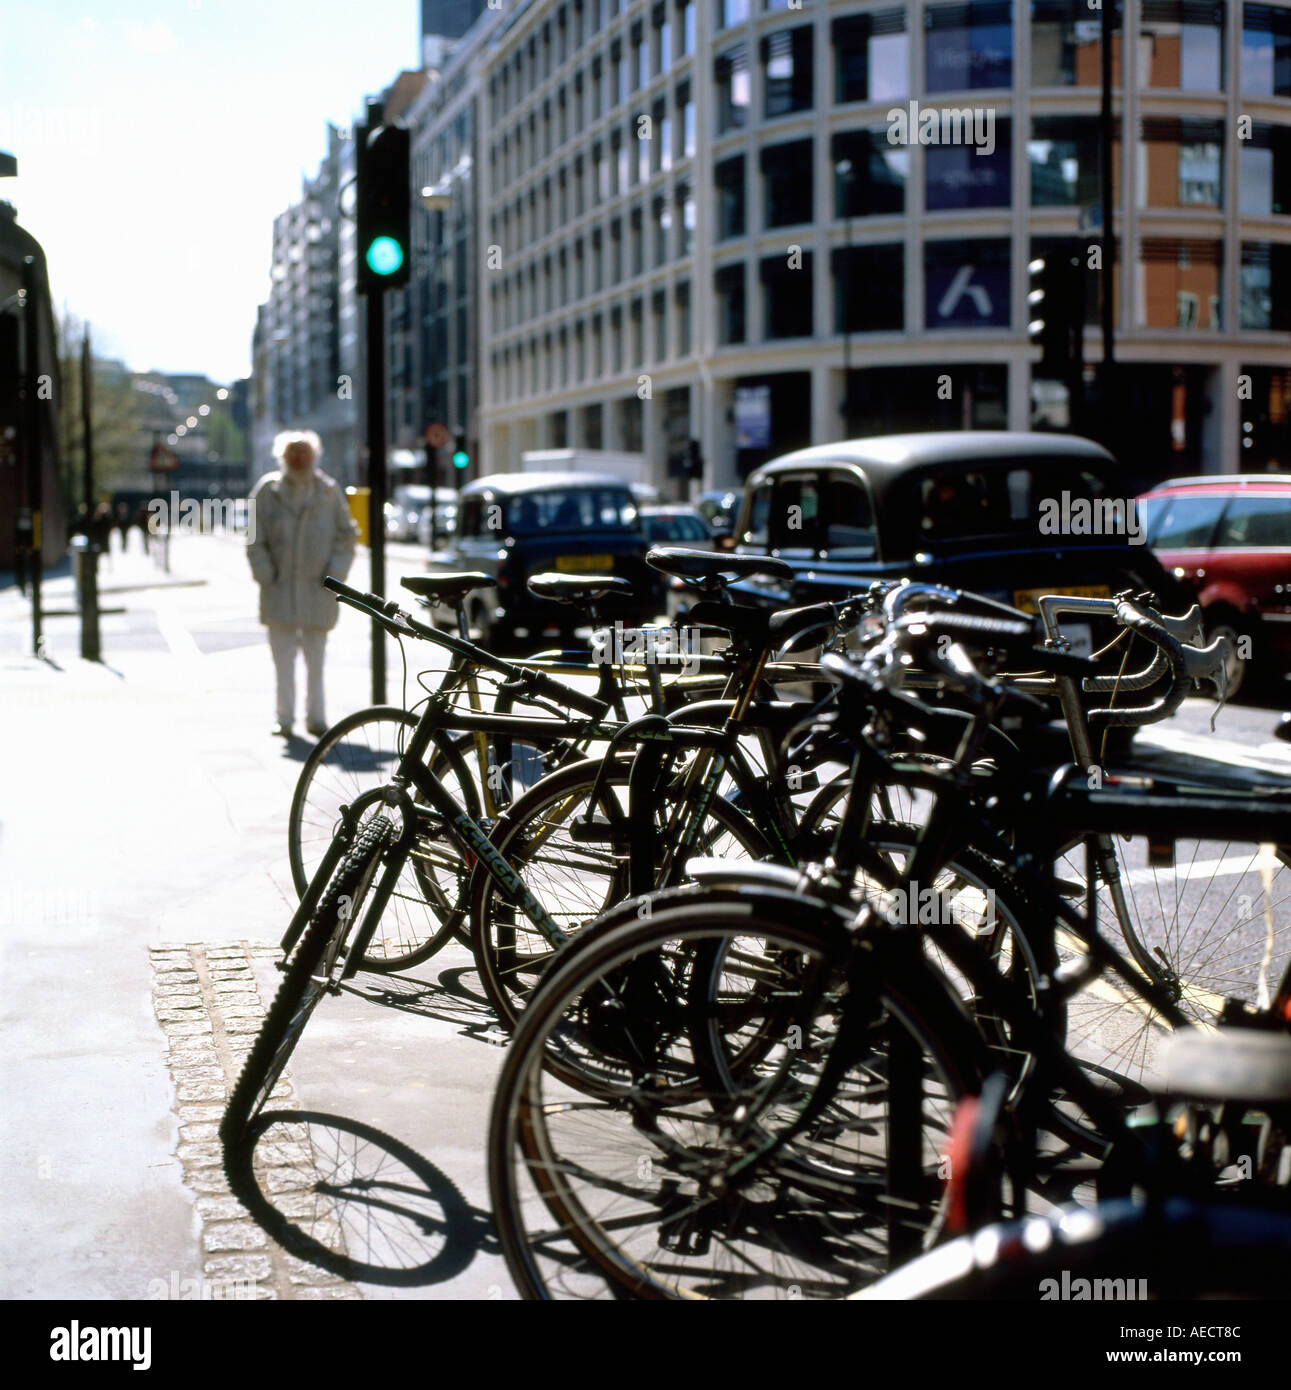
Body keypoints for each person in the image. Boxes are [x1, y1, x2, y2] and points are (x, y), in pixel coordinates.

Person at [247, 430, 358, 738]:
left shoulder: (328, 490)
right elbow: (254, 538)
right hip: (279, 591)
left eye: (304, 452)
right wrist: (264, 573)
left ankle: (316, 718)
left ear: (315, 456)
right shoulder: (267, 491)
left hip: (317, 592)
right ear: (282, 457)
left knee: (316, 661)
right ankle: (284, 718)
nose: (298, 458)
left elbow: (347, 535)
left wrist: (335, 574)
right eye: (292, 453)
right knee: (282, 661)